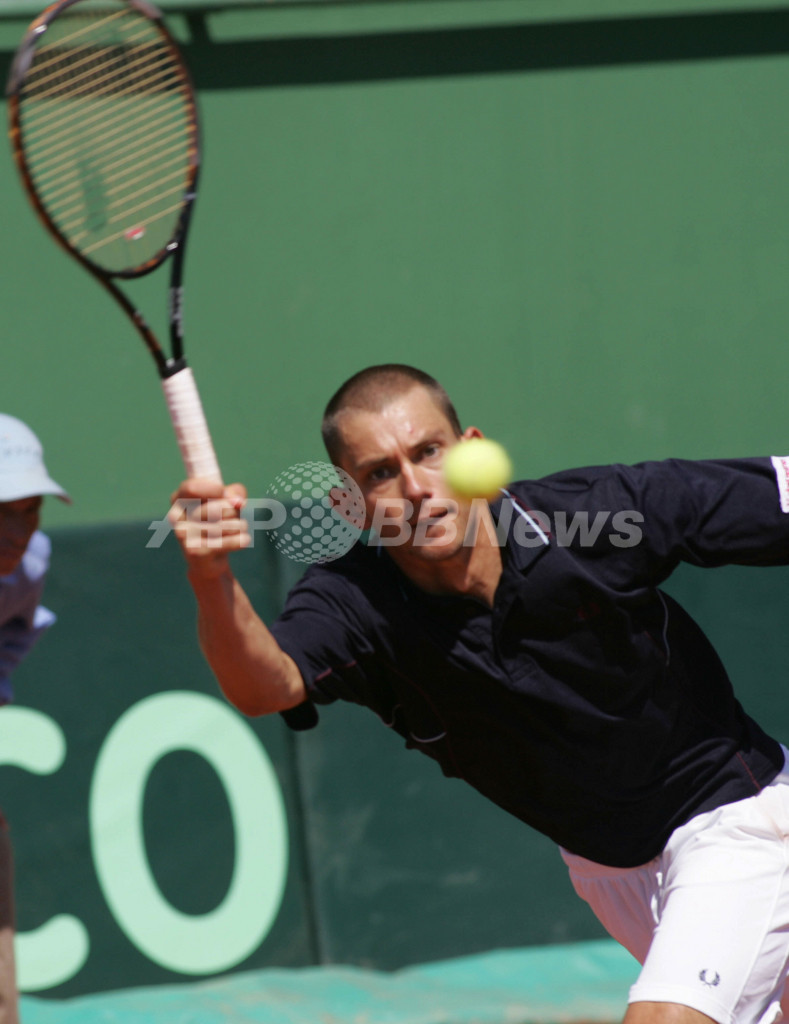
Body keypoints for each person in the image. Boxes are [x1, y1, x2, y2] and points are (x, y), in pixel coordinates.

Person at [170, 363, 789, 1024]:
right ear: (348, 504)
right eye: (380, 473)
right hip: (607, 871)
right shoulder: (351, 602)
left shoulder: (591, 516)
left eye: (428, 452)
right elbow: (265, 685)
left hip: (734, 815)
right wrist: (209, 574)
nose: (415, 488)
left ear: (471, 451)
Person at [0, 414, 69, 1024]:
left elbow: (13, 634)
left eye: (30, 509)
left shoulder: (27, 565)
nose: (18, 531)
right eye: (1, 510)